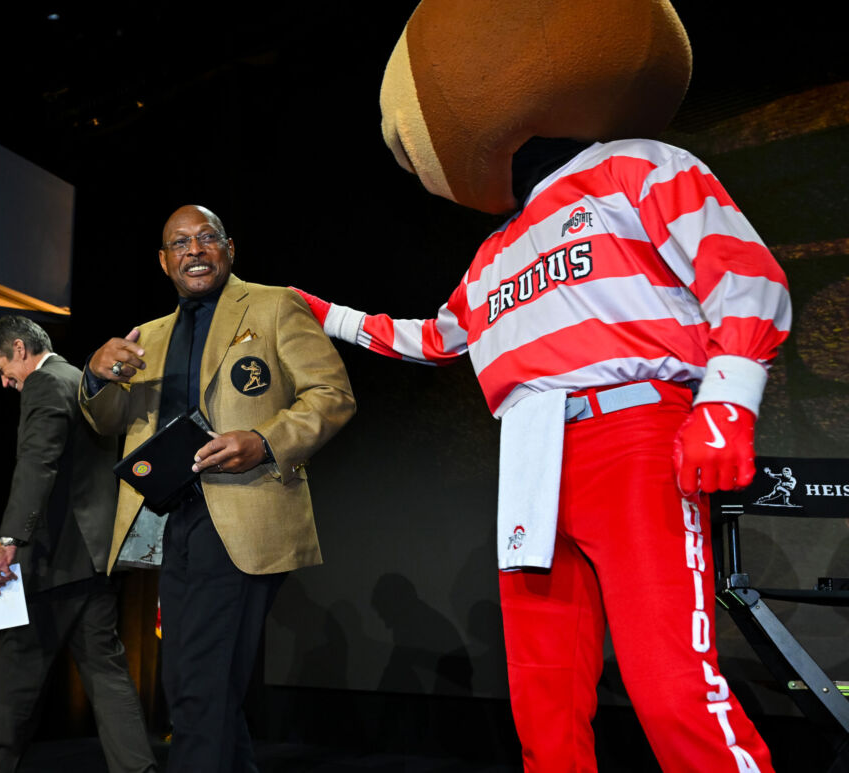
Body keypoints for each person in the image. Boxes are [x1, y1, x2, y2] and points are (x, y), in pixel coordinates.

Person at [293, 2, 789, 770]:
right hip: (530, 459)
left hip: (633, 435)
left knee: (672, 688)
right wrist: (327, 315)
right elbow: (433, 338)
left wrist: (726, 403)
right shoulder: (489, 253)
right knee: (544, 703)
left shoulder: (638, 164)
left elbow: (748, 278)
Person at [80, 205, 355, 772]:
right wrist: (94, 374)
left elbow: (332, 395)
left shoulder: (276, 305)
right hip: (169, 520)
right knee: (196, 680)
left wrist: (265, 439)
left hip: (242, 510)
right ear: (164, 261)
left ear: (231, 248)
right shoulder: (147, 337)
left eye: (207, 238)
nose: (194, 250)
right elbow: (107, 422)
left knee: (199, 684)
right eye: (180, 243)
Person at [0, 316, 156, 773]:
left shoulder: (44, 383)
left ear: (19, 349)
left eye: (2, 369)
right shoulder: (82, 380)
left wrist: (8, 541)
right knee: (106, 673)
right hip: (95, 560)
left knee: (14, 679)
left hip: (53, 561)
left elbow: (38, 463)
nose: (4, 382)